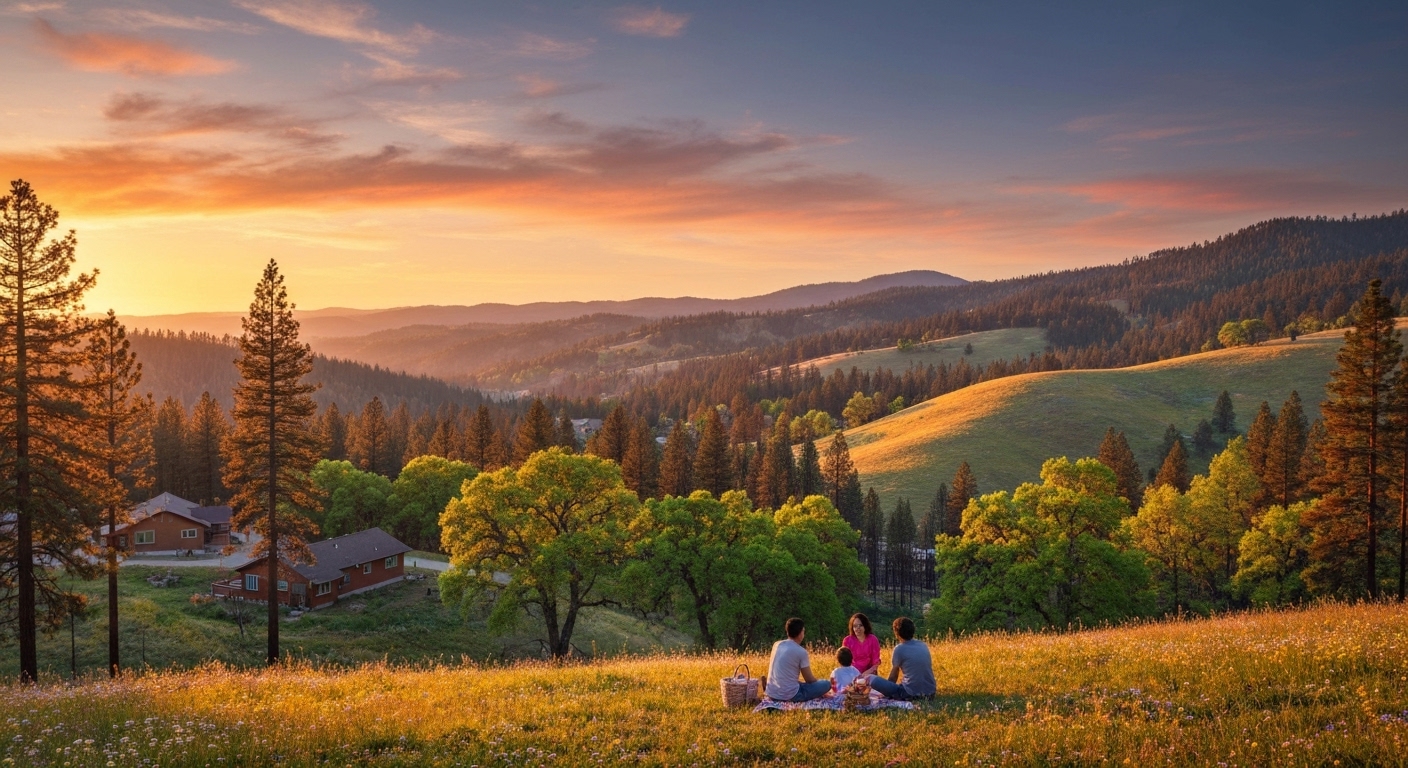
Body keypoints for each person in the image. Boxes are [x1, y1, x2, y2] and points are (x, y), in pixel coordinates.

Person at [764, 617, 831, 703]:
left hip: (772, 693)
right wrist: (818, 685)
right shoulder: (801, 652)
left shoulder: (777, 644)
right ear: (801, 633)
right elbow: (809, 679)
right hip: (791, 695)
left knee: (800, 684)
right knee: (826, 684)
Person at [867, 617, 935, 701]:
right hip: (930, 693)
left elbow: (894, 675)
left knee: (870, 678)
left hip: (910, 693)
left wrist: (888, 688)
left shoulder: (899, 649)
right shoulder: (923, 645)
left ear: (896, 633)